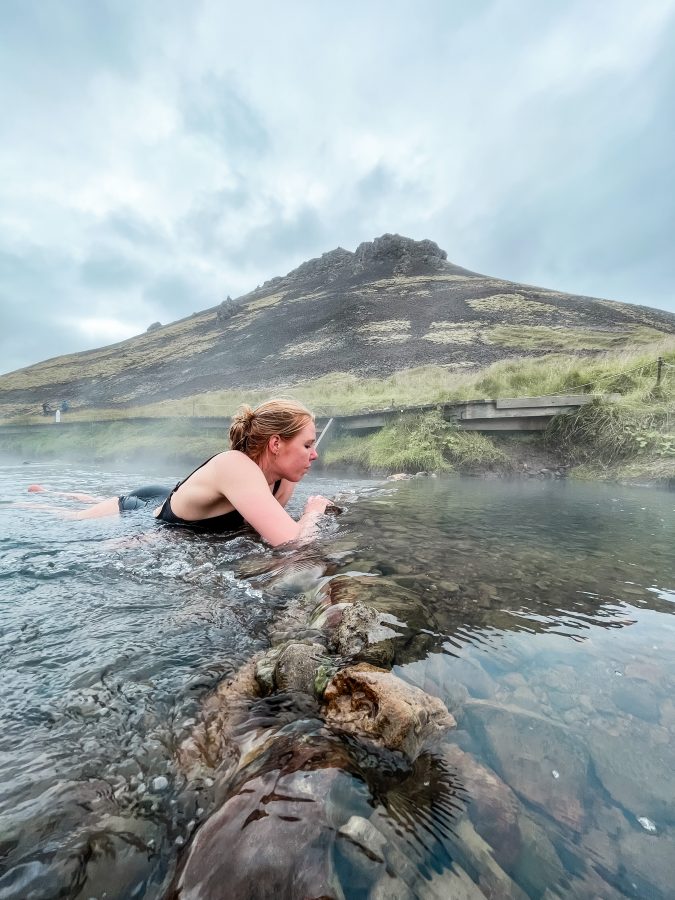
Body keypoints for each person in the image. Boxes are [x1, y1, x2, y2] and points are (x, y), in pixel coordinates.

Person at [30, 399, 332, 547]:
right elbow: (293, 543)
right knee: (64, 517)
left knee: (87, 501)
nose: (314, 454)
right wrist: (313, 512)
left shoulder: (284, 481)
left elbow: (258, 531)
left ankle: (61, 494)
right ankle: (43, 498)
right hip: (141, 507)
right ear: (276, 443)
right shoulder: (235, 464)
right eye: (307, 444)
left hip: (173, 498)